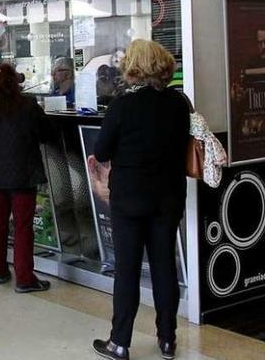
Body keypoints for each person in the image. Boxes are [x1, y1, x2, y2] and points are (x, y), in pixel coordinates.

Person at [91, 40, 190, 360]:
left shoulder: (122, 105)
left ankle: (119, 342)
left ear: (132, 66)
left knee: (128, 269)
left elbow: (103, 149)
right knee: (164, 267)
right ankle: (167, 340)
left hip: (130, 197)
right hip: (168, 196)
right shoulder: (179, 102)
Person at [0, 63, 53, 293]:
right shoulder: (27, 105)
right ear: (15, 82)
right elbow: (46, 133)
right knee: (23, 227)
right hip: (23, 175)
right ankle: (24, 277)